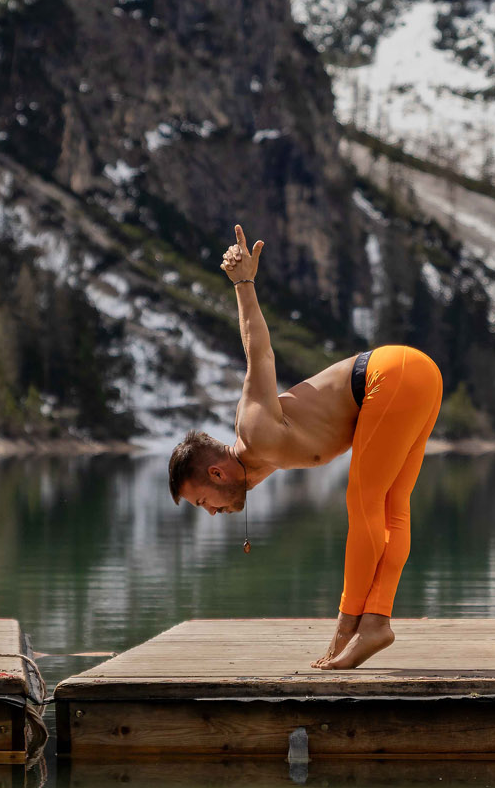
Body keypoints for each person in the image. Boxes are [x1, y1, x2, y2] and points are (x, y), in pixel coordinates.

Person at [167, 225, 443, 669]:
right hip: (418, 376)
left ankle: (346, 630)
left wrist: (243, 284)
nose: (213, 513)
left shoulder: (254, 429)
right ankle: (376, 623)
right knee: (392, 505)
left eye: (204, 502)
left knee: (363, 502)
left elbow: (259, 351)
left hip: (389, 375)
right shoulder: (256, 465)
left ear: (216, 473)